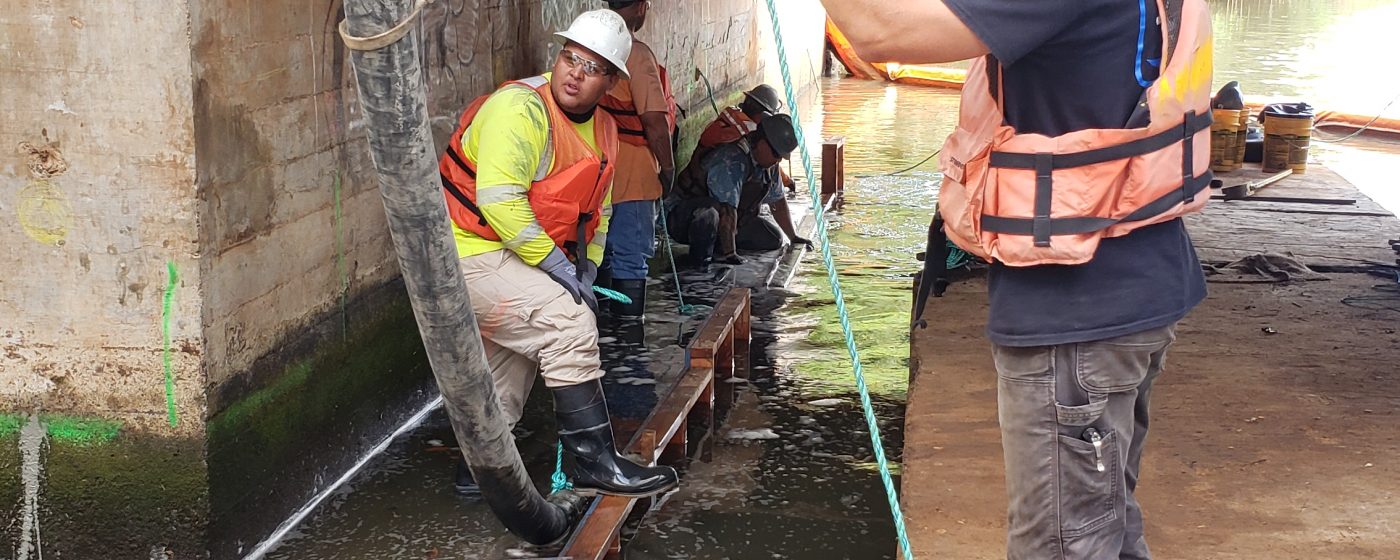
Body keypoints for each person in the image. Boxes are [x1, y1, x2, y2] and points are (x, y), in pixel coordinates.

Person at [826, 0, 1213, 558]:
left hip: (1075, 318)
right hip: (1133, 291)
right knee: (1103, 530)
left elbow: (879, 31)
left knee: (1062, 545)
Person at [438, 9, 678, 498]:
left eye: (592, 68)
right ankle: (593, 462)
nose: (575, 73)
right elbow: (500, 202)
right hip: (466, 252)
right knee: (567, 321)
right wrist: (558, 270)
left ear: (611, 82)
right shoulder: (520, 109)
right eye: (570, 58)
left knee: (512, 356)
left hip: (513, 256)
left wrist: (587, 265)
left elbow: (598, 211)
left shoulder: (604, 131)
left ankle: (481, 468)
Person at [597, 0, 678, 318]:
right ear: (641, 7)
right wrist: (668, 168)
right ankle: (629, 335)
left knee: (598, 253)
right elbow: (655, 124)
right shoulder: (637, 54)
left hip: (594, 173)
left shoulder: (588, 44)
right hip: (633, 176)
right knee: (631, 258)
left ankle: (599, 331)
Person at [666, 114, 811, 267]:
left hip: (729, 219)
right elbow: (727, 211)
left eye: (781, 156)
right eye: (776, 154)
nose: (778, 160)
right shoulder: (731, 159)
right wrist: (730, 254)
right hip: (683, 217)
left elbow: (778, 202)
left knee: (772, 239)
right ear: (762, 144)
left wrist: (793, 237)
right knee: (708, 214)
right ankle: (699, 264)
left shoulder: (770, 165)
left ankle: (717, 245)